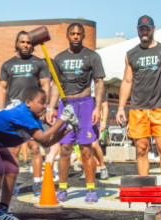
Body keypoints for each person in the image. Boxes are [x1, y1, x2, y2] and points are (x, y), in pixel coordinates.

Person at [0, 86, 78, 220]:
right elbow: (43, 136)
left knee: (12, 169)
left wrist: (66, 129)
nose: (44, 106)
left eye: (45, 102)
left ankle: (2, 212)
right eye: (41, 102)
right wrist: (63, 118)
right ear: (28, 102)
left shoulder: (35, 120)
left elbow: (45, 142)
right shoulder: (22, 112)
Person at [46, 23, 105, 203]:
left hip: (85, 104)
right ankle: (62, 189)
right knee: (64, 149)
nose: (76, 36)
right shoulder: (59, 58)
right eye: (73, 33)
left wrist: (97, 107)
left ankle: (90, 190)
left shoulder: (92, 56)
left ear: (83, 35)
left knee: (87, 149)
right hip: (66, 106)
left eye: (79, 33)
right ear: (68, 35)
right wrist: (51, 107)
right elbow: (55, 85)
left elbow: (99, 82)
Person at [116, 15, 161, 186]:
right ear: (137, 30)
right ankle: (145, 191)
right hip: (138, 109)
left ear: (153, 29)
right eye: (142, 29)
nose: (144, 31)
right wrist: (121, 107)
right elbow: (127, 82)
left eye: (147, 29)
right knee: (141, 150)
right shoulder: (131, 54)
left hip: (160, 109)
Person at [0, 31, 50, 196]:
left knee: (34, 147)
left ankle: (37, 184)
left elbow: (45, 85)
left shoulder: (39, 63)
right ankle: (12, 184)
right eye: (22, 42)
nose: (26, 45)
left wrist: (43, 108)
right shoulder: (7, 64)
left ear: (32, 45)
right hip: (13, 110)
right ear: (17, 44)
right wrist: (0, 111)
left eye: (28, 42)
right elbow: (2, 88)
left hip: (32, 110)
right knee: (13, 150)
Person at [80, 82, 109, 180]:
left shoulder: (98, 86)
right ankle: (87, 168)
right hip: (82, 119)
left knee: (94, 145)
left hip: (94, 120)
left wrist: (104, 122)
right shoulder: (82, 84)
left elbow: (105, 106)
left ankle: (102, 166)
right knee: (84, 146)